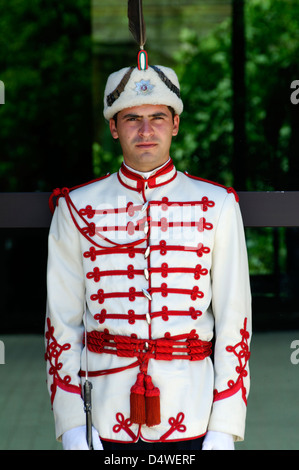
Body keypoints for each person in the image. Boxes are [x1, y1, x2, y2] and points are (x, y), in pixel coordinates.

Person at [45, 63, 251, 451]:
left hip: (195, 415)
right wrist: (72, 425)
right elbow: (61, 326)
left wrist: (225, 426)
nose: (145, 131)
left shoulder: (217, 205)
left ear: (175, 124)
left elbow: (234, 323)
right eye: (132, 119)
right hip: (102, 419)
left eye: (158, 117)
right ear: (113, 127)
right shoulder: (75, 208)